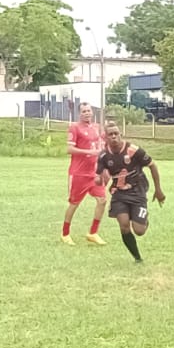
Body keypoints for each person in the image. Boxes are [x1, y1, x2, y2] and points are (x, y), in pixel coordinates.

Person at [95, 121, 166, 263]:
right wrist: (100, 179)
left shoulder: (133, 150)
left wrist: (158, 190)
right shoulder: (103, 156)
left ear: (120, 134)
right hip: (119, 194)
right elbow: (98, 177)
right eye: (111, 134)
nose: (114, 136)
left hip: (137, 191)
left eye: (116, 133)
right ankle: (137, 257)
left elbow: (152, 165)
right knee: (124, 226)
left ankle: (144, 219)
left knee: (139, 230)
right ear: (105, 138)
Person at [60, 101, 107, 246]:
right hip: (79, 173)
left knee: (102, 200)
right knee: (74, 204)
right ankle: (65, 233)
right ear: (79, 114)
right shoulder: (74, 128)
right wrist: (89, 152)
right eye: (84, 111)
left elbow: (102, 145)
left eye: (88, 110)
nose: (87, 113)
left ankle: (93, 232)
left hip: (94, 173)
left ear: (92, 112)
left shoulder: (96, 127)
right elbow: (69, 149)